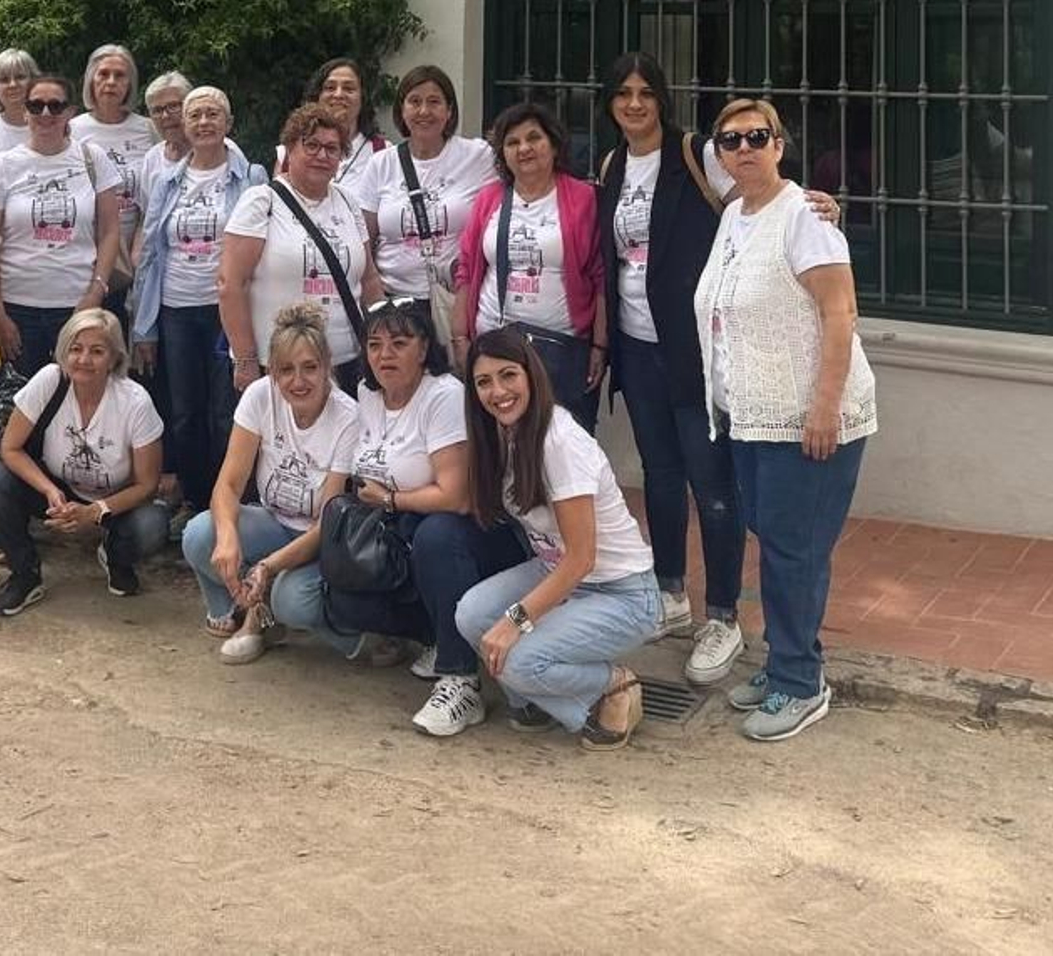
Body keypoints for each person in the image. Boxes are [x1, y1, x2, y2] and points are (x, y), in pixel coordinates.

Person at [597, 51, 826, 685]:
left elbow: (761, 199)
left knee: (713, 484)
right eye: (623, 93)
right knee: (660, 475)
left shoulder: (697, 154)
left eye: (646, 92)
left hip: (695, 349)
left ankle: (723, 613)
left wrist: (815, 207)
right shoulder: (613, 165)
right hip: (636, 347)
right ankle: (671, 592)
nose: (635, 104)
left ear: (661, 99)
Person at [695, 98, 878, 742]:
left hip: (808, 418)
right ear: (719, 154)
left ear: (779, 145)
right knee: (776, 544)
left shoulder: (805, 217)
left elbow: (840, 312)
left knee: (794, 552)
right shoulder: (735, 216)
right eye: (731, 140)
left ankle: (801, 683)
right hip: (752, 416)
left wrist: (824, 405)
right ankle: (785, 666)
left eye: (757, 136)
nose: (744, 148)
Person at [454, 327, 661, 749]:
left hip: (620, 592)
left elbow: (582, 558)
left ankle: (613, 684)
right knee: (471, 614)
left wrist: (515, 621)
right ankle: (539, 697)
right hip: (558, 573)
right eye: (484, 382)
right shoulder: (503, 433)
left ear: (531, 374)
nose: (498, 392)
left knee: (517, 659)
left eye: (508, 375)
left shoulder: (559, 442)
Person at [344, 298, 526, 737]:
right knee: (345, 599)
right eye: (374, 344)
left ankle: (460, 679)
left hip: (476, 536)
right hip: (396, 527)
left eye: (399, 343)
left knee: (437, 535)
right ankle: (435, 637)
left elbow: (457, 497)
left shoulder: (443, 395)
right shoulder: (367, 394)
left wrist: (391, 499)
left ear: (424, 347)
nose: (385, 355)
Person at [182, 303, 399, 666]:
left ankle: (343, 626)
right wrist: (228, 537)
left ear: (327, 366)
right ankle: (245, 610)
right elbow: (229, 484)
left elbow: (327, 523)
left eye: (310, 367)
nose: (298, 381)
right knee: (200, 535)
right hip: (274, 520)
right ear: (272, 372)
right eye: (286, 370)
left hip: (320, 538)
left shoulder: (347, 417)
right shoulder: (259, 395)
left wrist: (267, 567)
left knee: (291, 599)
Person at [132, 86, 268, 518]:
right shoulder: (166, 181)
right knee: (185, 413)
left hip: (228, 310)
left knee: (228, 411)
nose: (204, 122)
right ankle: (195, 502)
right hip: (175, 309)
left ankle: (230, 504)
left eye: (213, 114)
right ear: (184, 126)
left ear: (228, 123)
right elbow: (150, 253)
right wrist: (143, 326)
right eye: (195, 116)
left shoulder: (251, 177)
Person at [0, 309, 170, 615]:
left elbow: (147, 484)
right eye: (76, 349)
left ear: (114, 358)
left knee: (153, 523)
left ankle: (115, 556)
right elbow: (10, 448)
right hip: (59, 487)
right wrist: (49, 491)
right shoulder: (50, 380)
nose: (83, 359)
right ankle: (24, 573)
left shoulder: (135, 401)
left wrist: (95, 511)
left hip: (114, 499)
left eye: (97, 351)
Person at [451, 101, 606, 434]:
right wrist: (461, 337)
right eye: (512, 142)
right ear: (503, 154)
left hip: (561, 348)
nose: (524, 148)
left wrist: (599, 345)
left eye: (534, 138)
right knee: (497, 445)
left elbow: (600, 276)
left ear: (554, 144)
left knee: (562, 443)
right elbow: (467, 268)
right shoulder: (489, 198)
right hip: (494, 344)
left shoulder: (583, 199)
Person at [220, 102, 384, 396]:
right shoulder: (261, 201)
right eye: (311, 145)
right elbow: (230, 284)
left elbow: (369, 279)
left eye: (332, 149)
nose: (322, 155)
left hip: (345, 361)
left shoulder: (348, 201)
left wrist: (382, 339)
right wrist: (245, 359)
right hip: (280, 366)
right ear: (289, 149)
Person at [0, 73, 122, 383]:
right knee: (13, 405)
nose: (45, 113)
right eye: (36, 105)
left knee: (74, 401)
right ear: (25, 111)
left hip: (77, 305)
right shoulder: (3, 165)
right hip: (16, 308)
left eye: (55, 106)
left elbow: (110, 231)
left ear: (70, 112)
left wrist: (96, 293)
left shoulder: (92, 159)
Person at [360, 64, 492, 313]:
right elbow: (364, 236)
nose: (424, 111)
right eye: (414, 101)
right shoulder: (381, 163)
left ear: (449, 110)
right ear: (402, 110)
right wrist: (374, 292)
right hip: (394, 301)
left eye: (434, 102)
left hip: (455, 300)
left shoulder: (478, 156)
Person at [70, 43, 156, 322]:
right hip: (89, 255)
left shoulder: (148, 129)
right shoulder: (73, 129)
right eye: (103, 74)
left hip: (139, 252)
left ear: (130, 83)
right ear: (90, 80)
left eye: (120, 76)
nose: (111, 82)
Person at [274, 57, 386, 206]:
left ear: (362, 98)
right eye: (330, 88)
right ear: (318, 95)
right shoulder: (290, 151)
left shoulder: (383, 153)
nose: (338, 95)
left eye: (349, 89)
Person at [135, 70, 193, 221]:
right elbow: (147, 218)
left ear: (191, 106)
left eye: (173, 106)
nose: (165, 116)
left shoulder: (220, 150)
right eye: (157, 110)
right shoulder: (152, 158)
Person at [0, 47, 40, 156]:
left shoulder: (54, 125)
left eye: (20, 77)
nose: (12, 84)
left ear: (34, 81)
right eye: (4, 80)